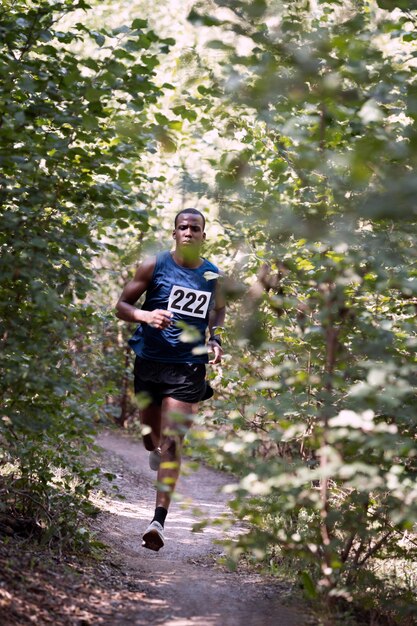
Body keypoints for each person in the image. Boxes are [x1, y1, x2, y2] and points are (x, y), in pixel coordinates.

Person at [115, 208, 226, 551]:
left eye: (195, 228)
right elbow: (121, 305)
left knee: (174, 440)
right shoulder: (154, 265)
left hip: (188, 367)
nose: (189, 232)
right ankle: (153, 447)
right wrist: (146, 315)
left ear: (204, 235)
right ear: (175, 233)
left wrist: (216, 338)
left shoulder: (211, 275)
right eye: (183, 227)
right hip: (150, 362)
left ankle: (157, 522)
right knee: (152, 437)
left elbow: (217, 310)